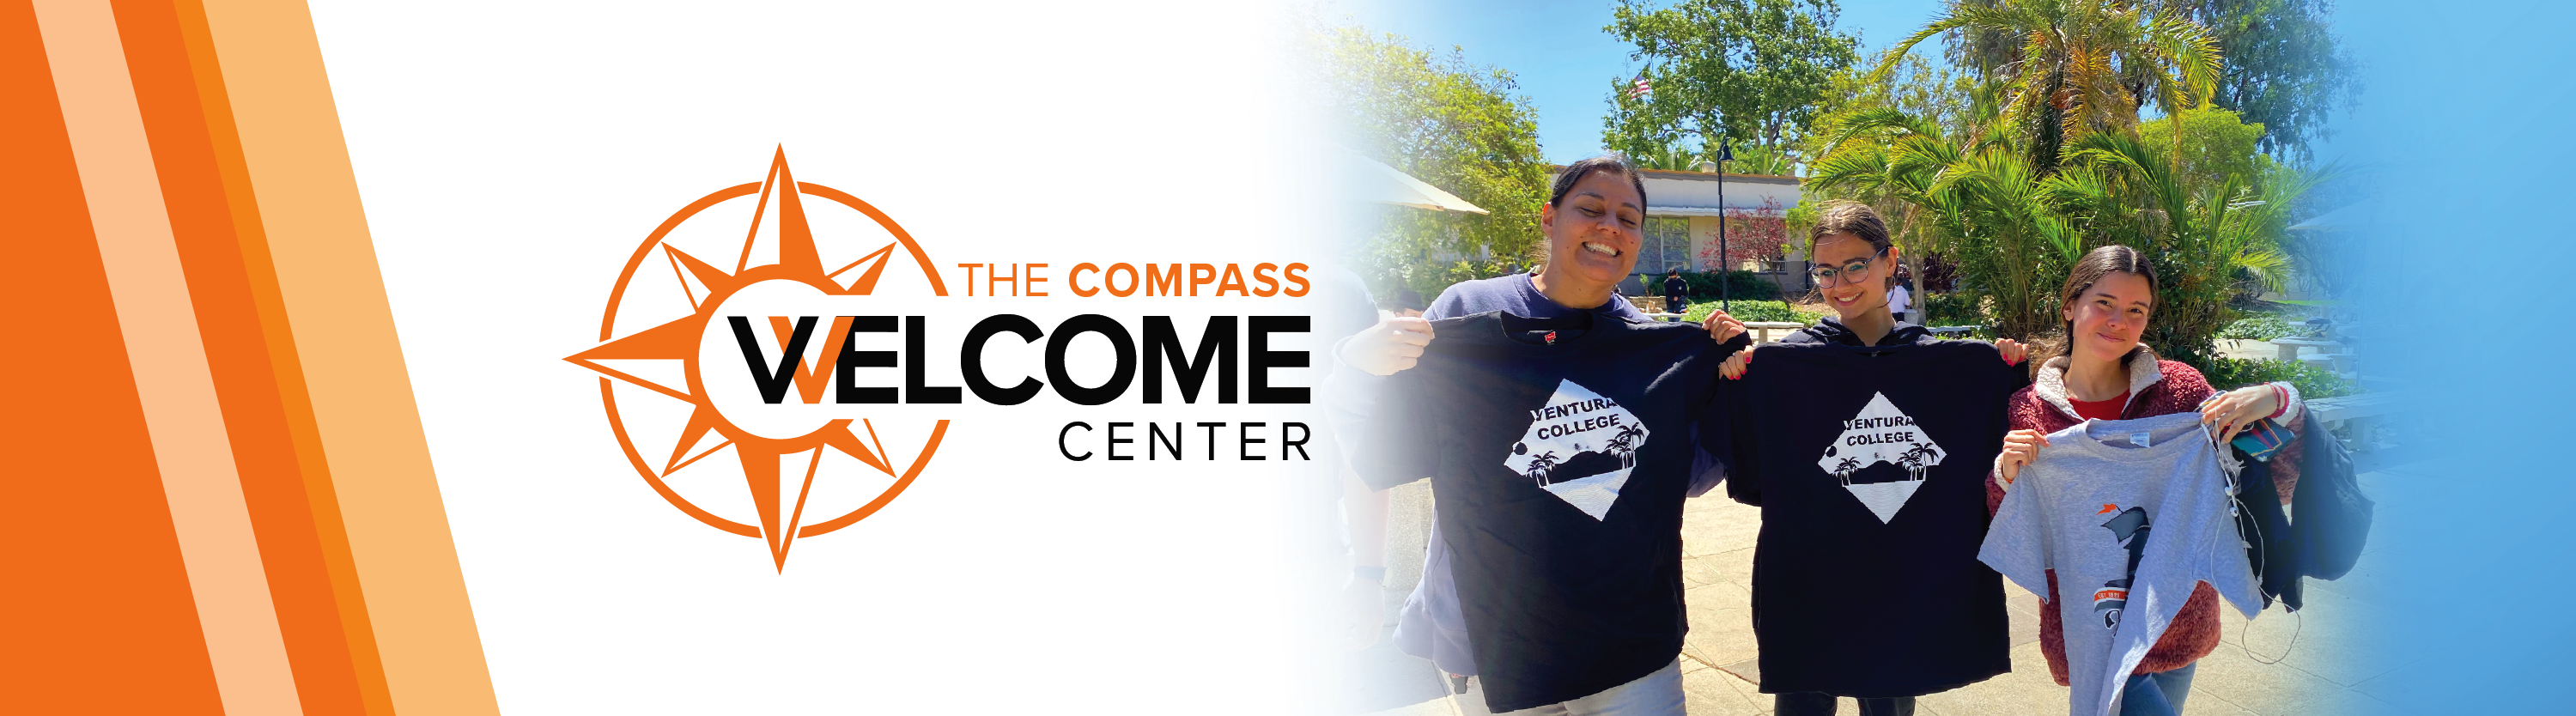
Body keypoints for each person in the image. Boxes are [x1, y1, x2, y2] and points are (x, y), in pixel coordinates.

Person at [1336, 154, 1746, 715]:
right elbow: (1376, 451)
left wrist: (1726, 389)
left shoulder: (1651, 347)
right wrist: (1356, 369)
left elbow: (1686, 473)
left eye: (1628, 218)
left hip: (1624, 640)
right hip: (1491, 640)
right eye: (1591, 208)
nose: (1610, 227)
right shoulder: (1464, 314)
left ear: (1639, 239)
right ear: (1550, 219)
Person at [1990, 246, 2307, 716]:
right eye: (2104, 303)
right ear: (2069, 306)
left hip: (2175, 619)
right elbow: (2012, 526)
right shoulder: (2027, 409)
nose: (2119, 320)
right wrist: (2006, 475)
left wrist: (2280, 401)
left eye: (2135, 310)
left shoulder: (2182, 392)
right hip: (2093, 626)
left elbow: (2276, 483)